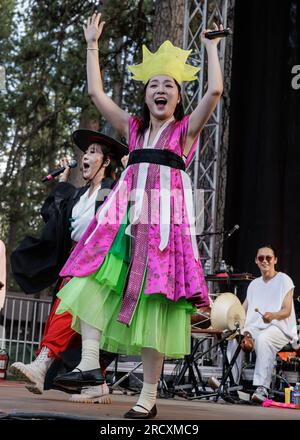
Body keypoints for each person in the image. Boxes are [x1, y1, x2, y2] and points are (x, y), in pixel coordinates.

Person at [53, 12, 223, 419]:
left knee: (156, 311)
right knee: (91, 277)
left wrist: (211, 49)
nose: (161, 89)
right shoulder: (132, 129)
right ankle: (90, 364)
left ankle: (147, 397)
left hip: (165, 231)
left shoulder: (185, 131)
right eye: (153, 85)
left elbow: (214, 91)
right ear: (145, 97)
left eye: (169, 86)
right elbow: (97, 94)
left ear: (178, 99)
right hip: (127, 226)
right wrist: (93, 45)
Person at [10, 131, 128, 403]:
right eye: (85, 152)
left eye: (94, 151)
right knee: (76, 322)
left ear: (107, 161)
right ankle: (93, 382)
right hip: (76, 262)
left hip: (100, 263)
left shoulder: (111, 191)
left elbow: (122, 215)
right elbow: (54, 217)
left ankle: (42, 365)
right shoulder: (78, 196)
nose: (85, 156)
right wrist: (62, 182)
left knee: (73, 316)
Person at [225, 245, 298, 403]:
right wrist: (229, 320)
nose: (264, 261)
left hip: (280, 328)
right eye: (261, 258)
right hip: (256, 328)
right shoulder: (254, 284)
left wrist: (273, 315)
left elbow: (286, 310)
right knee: (234, 337)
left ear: (275, 260)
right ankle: (231, 383)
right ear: (256, 261)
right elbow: (242, 310)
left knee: (264, 339)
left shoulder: (284, 280)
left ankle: (262, 388)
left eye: (268, 258)